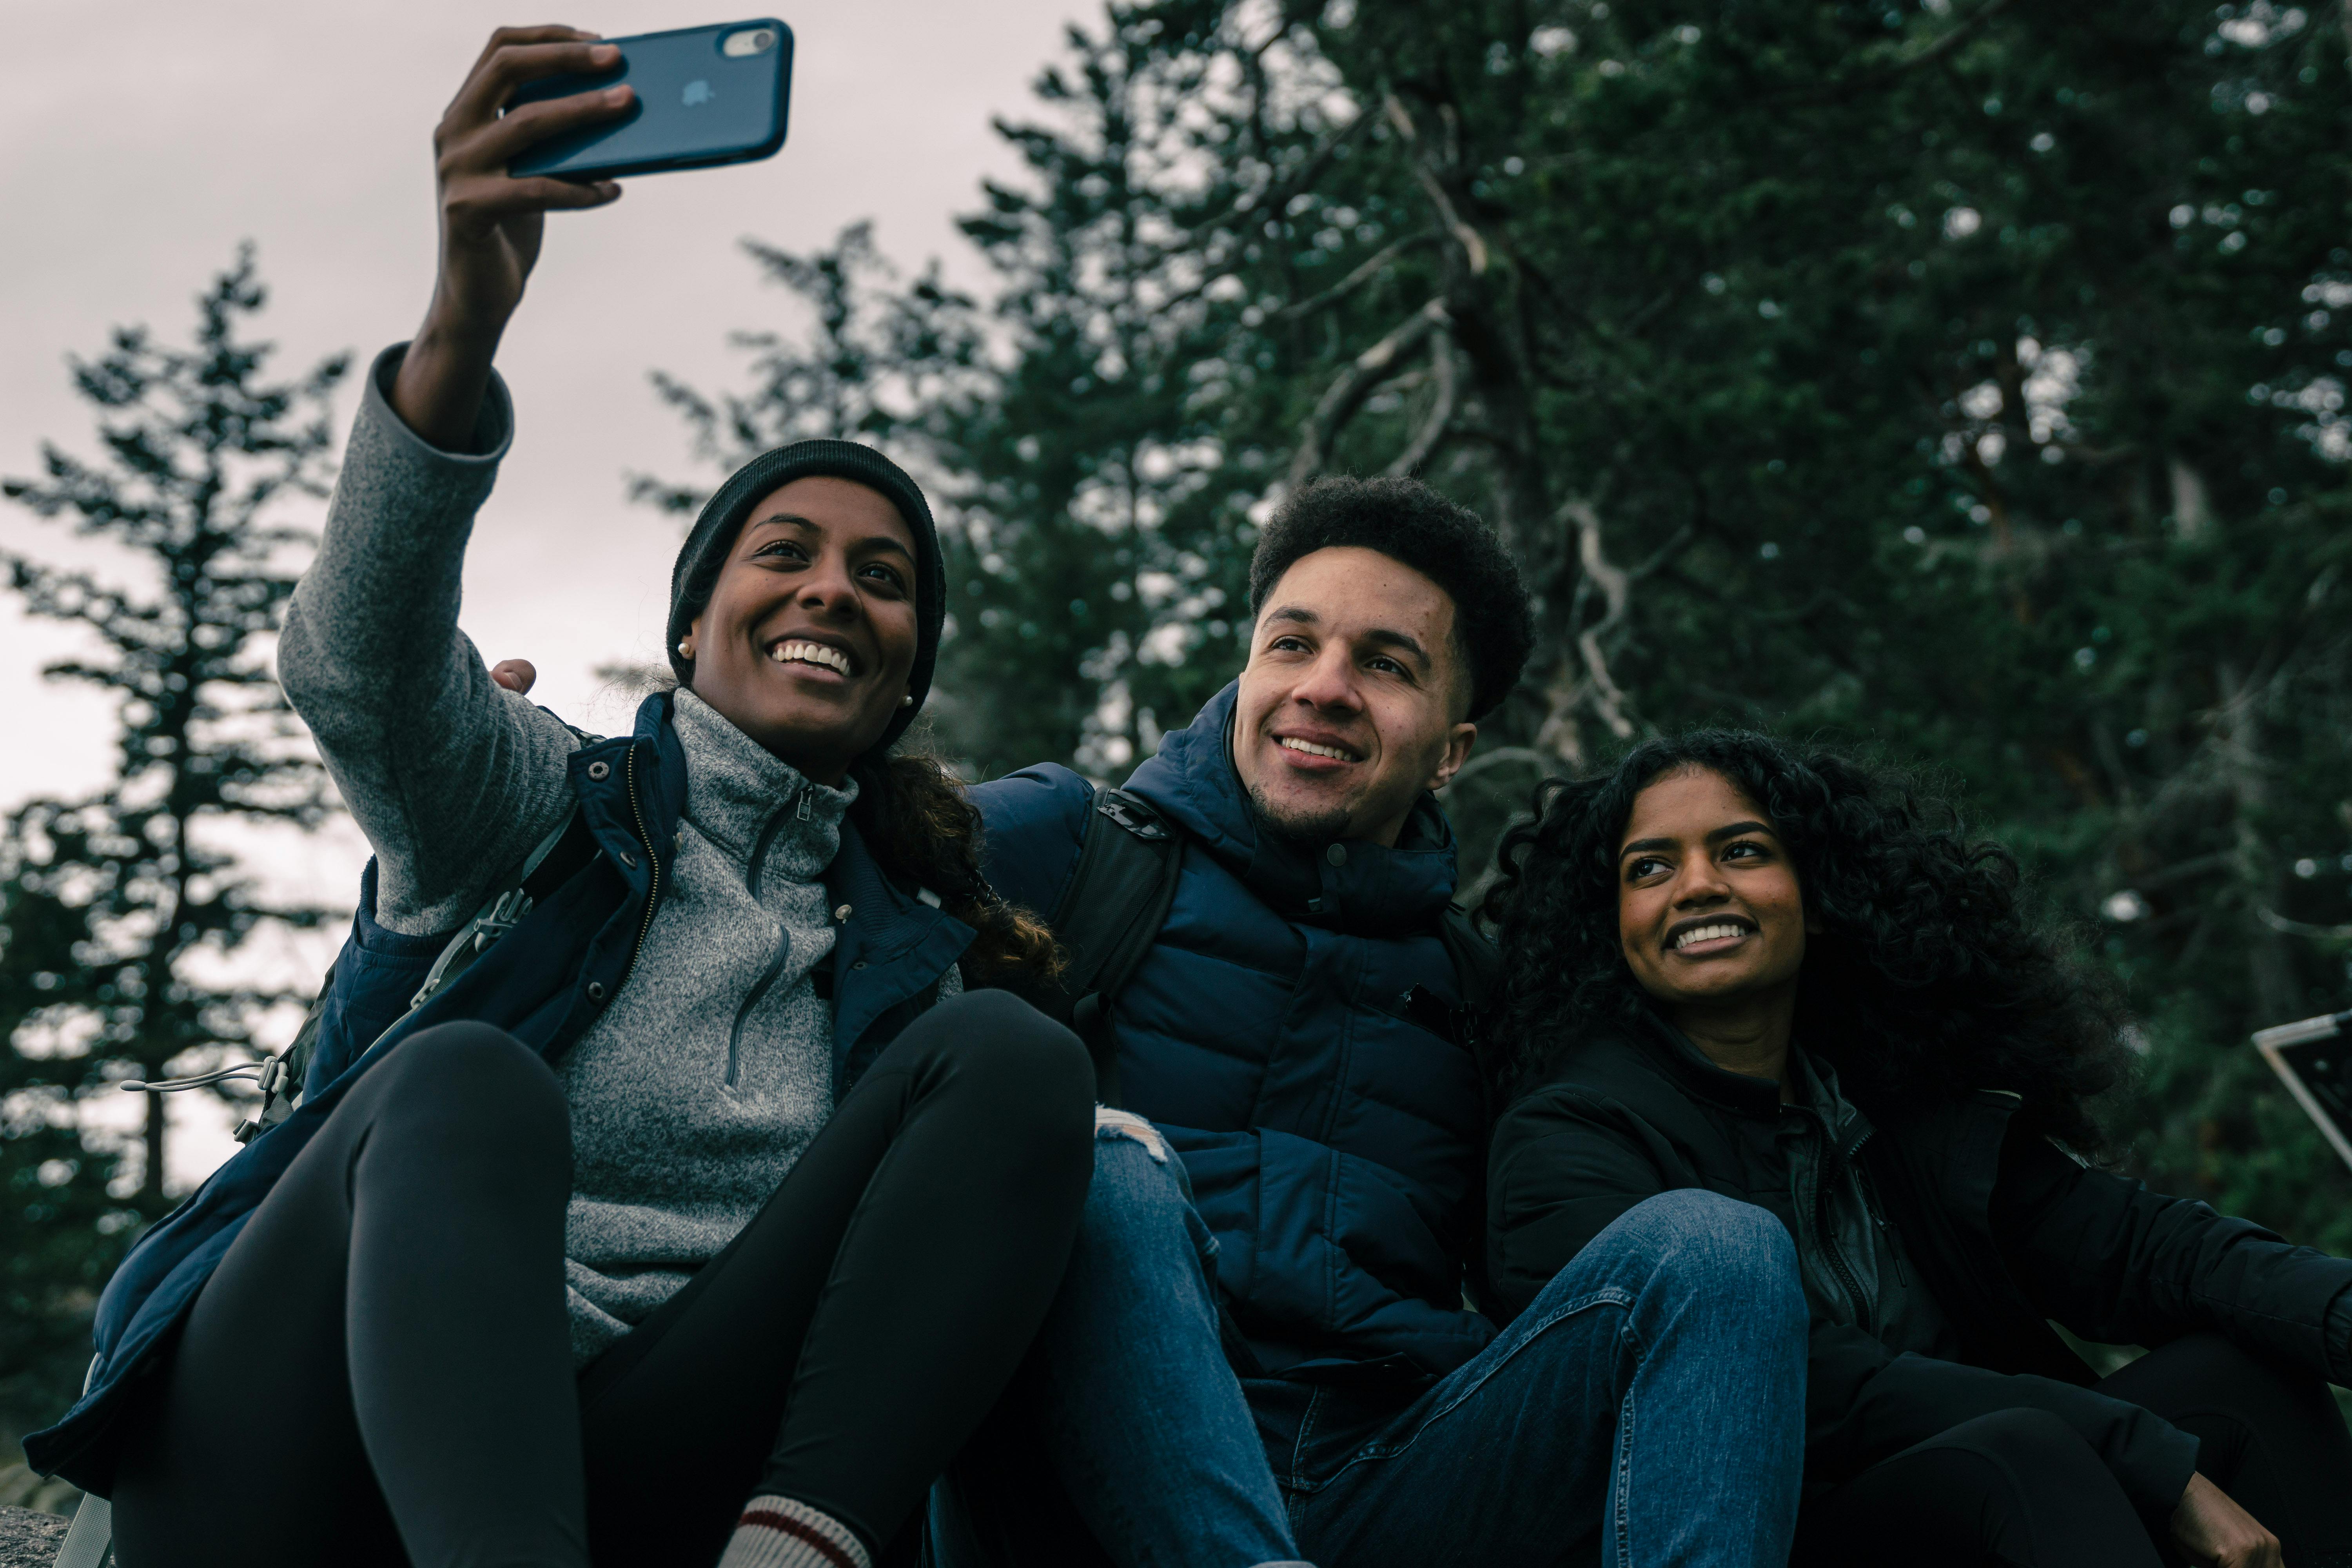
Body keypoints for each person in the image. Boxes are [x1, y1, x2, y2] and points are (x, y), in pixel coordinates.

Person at [24, 29, 1153, 1568]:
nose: (835, 586)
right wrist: (460, 321)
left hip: (621, 1466)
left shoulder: (905, 959)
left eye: (883, 581)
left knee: (1016, 1062)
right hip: (303, 1436)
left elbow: (1133, 847)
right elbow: (358, 667)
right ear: (692, 626)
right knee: (463, 1081)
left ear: (902, 685)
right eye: (786, 553)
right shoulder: (550, 797)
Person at [949, 483, 1810, 1567]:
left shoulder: (1480, 990)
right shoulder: (1074, 844)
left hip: (1388, 1471)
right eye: (1291, 645)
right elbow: (834, 867)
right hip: (1081, 1476)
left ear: (1451, 751)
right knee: (1108, 1166)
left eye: (1386, 664)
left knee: (1718, 1249)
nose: (1324, 689)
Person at [1479, 729, 2352, 1568]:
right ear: (1614, 926)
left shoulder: (1895, 1100)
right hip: (1770, 1531)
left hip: (1998, 1490)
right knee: (2022, 1451)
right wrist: (2146, 1458)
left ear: (1818, 897)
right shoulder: (1571, 1139)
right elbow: (1820, 1388)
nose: (1698, 884)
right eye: (1651, 867)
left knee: (2240, 1381)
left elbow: (2147, 1248)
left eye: (1743, 850)